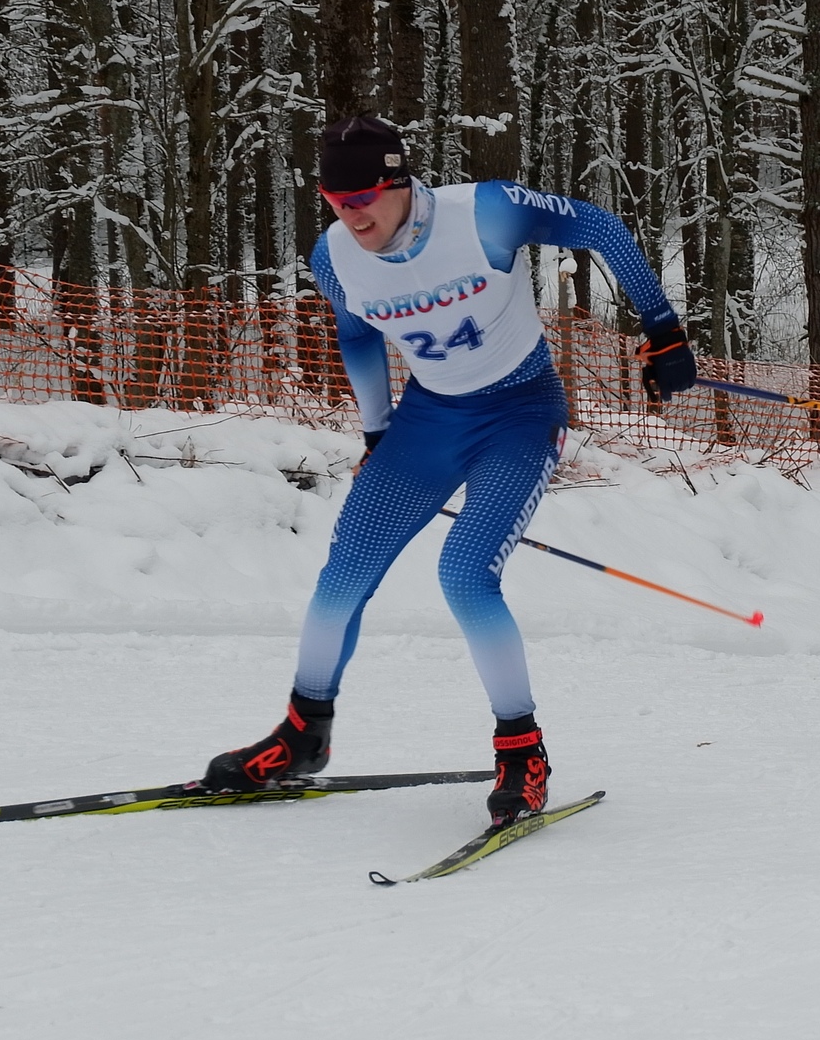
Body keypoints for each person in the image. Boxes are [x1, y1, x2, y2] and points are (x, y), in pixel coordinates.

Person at [198, 116, 697, 831]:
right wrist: (376, 431)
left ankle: (523, 752)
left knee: (464, 573)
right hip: (428, 420)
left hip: (521, 413)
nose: (351, 212)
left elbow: (603, 228)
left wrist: (662, 326)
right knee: (343, 572)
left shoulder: (484, 211)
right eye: (334, 198)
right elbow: (358, 332)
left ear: (400, 181)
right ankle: (302, 734)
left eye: (364, 194)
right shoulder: (335, 255)